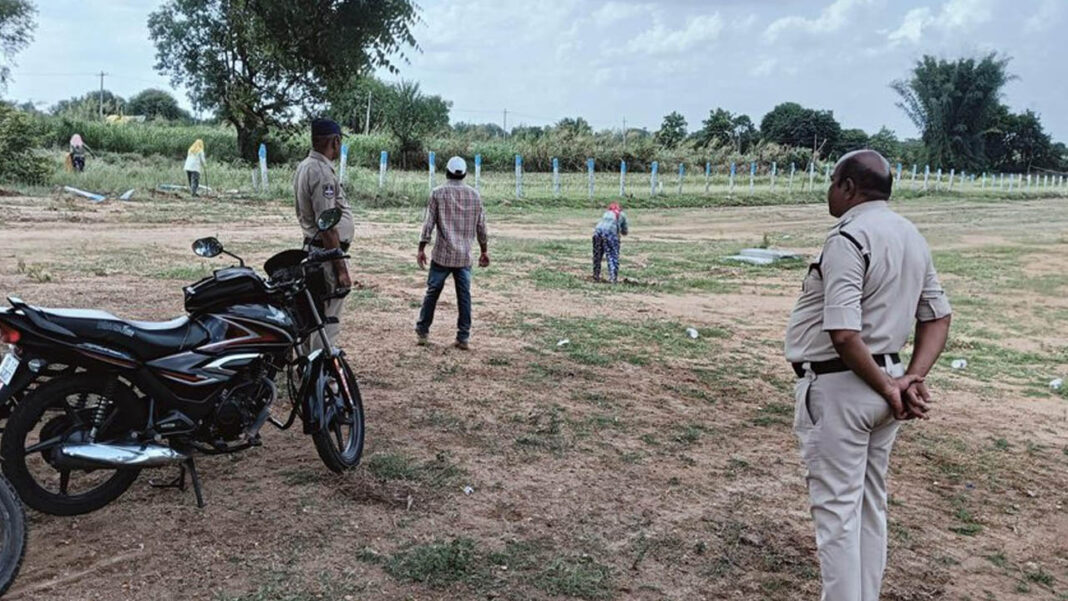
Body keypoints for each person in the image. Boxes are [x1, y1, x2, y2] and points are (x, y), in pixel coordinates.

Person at [784, 150, 952, 601]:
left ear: (848, 187)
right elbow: (937, 316)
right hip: (887, 384)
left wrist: (890, 387)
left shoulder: (849, 238)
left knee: (837, 515)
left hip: (844, 388)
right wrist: (909, 380)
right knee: (868, 507)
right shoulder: (910, 235)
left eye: (831, 181)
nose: (829, 190)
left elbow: (842, 332)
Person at [415, 156, 489, 350]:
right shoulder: (474, 195)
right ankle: (463, 337)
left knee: (432, 292)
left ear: (446, 172)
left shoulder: (438, 193)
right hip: (464, 256)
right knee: (464, 296)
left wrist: (421, 248)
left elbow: (428, 223)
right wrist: (484, 250)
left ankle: (423, 331)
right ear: (464, 174)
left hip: (442, 255)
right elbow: (481, 227)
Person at [293, 118, 354, 352]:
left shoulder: (306, 165)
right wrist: (341, 269)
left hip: (314, 249)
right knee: (326, 320)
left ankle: (309, 370)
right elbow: (327, 224)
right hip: (325, 253)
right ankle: (322, 376)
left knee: (314, 313)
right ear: (335, 141)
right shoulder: (321, 172)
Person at [592, 202, 629, 283]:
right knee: (612, 255)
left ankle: (596, 275)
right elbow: (625, 231)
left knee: (597, 255)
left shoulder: (606, 213)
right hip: (610, 234)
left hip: (597, 232)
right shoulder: (622, 215)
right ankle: (613, 278)